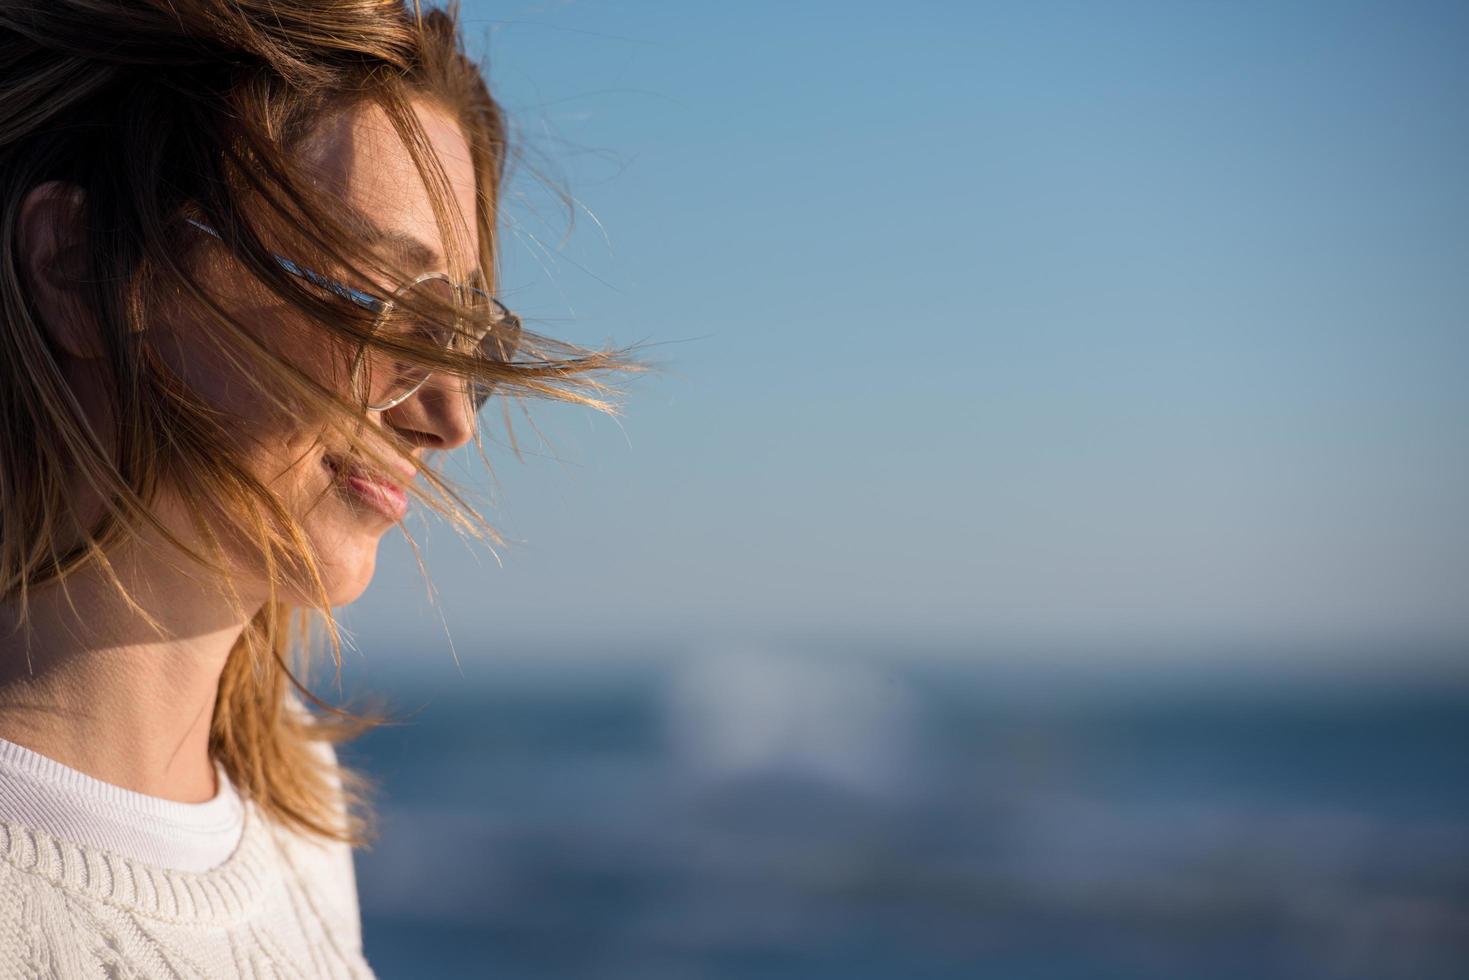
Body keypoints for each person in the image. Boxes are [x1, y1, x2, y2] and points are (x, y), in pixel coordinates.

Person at [0, 1, 631, 974]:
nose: (447, 417)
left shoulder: (294, 804)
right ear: (79, 269)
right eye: (382, 305)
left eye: (459, 336)